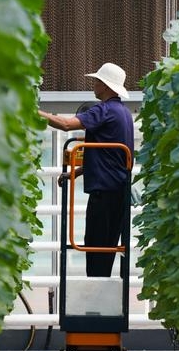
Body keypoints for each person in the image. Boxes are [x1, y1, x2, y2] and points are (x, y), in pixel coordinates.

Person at [38, 62, 134, 277]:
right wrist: (74, 173)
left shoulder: (105, 110)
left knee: (96, 249)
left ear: (106, 86)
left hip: (105, 194)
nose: (94, 84)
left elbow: (65, 124)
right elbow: (106, 155)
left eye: (97, 81)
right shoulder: (124, 113)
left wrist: (35, 112)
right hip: (118, 192)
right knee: (105, 249)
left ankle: (97, 304)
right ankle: (101, 299)